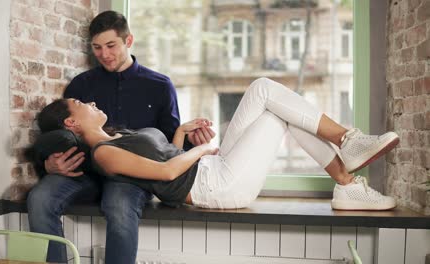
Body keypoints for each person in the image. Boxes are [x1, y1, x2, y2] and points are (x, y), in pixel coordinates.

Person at [37, 77, 399, 211]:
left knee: (263, 89)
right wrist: (203, 149)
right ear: (72, 122)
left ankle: (348, 161)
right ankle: (348, 171)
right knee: (276, 113)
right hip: (218, 187)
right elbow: (166, 172)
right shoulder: (105, 155)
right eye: (82, 105)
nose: (91, 103)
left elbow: (166, 155)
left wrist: (183, 134)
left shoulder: (116, 138)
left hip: (210, 171)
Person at [27, 11, 214, 264]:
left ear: (128, 41)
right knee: (39, 198)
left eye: (111, 45)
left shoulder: (160, 85)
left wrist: (195, 141)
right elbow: (59, 133)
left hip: (132, 178)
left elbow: (168, 145)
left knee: (119, 206)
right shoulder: (80, 86)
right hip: (87, 174)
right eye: (97, 47)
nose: (104, 54)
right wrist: (48, 164)